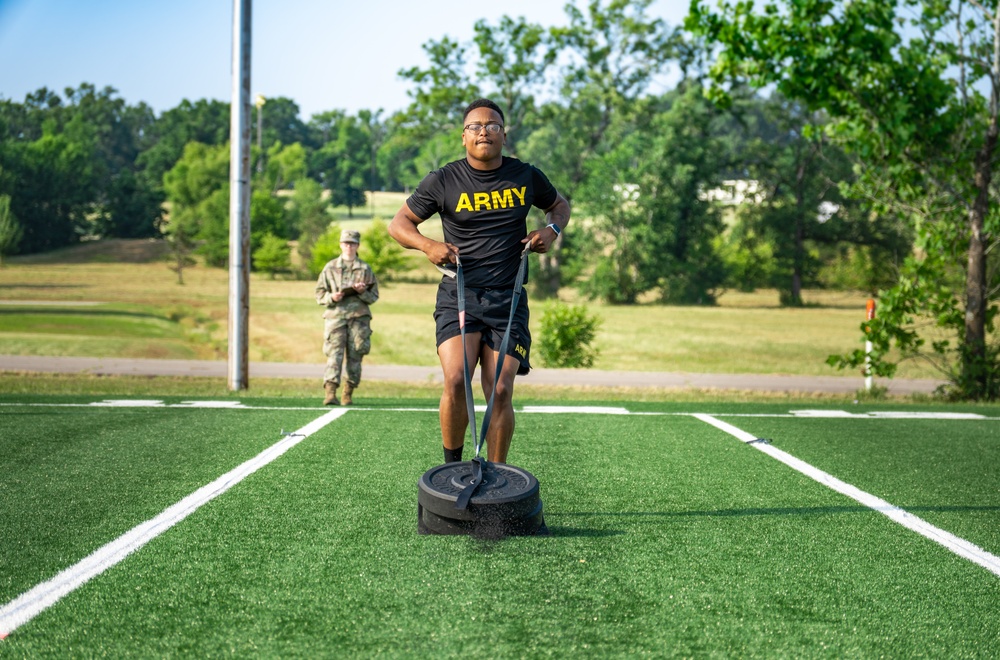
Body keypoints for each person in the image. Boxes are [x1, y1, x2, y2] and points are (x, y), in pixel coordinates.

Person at [388, 98, 571, 465]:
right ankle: (451, 471)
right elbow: (399, 225)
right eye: (475, 126)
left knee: (500, 389)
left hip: (509, 299)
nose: (484, 131)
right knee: (456, 380)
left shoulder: (526, 175)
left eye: (492, 126)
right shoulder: (443, 180)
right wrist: (428, 246)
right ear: (463, 137)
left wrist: (551, 230)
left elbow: (560, 205)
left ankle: (498, 479)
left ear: (504, 135)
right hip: (460, 296)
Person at [315, 229, 379, 405]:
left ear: (357, 245)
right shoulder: (330, 268)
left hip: (358, 318)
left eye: (352, 243)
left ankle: (348, 392)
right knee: (334, 355)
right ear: (340, 245)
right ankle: (330, 392)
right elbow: (319, 293)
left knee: (356, 355)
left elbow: (374, 297)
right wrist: (331, 297)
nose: (349, 247)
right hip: (335, 317)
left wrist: (362, 292)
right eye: (346, 243)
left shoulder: (365, 269)